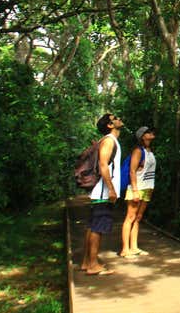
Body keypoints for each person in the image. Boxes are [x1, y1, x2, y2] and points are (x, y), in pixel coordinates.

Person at [80, 113, 123, 276]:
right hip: (103, 192)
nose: (119, 118)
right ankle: (93, 264)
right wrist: (111, 189)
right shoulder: (109, 141)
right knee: (98, 227)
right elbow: (103, 165)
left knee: (93, 226)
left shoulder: (110, 141)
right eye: (115, 117)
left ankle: (87, 262)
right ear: (110, 125)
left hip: (100, 191)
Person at [119, 125, 156, 258]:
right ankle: (125, 249)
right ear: (142, 136)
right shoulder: (138, 151)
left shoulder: (150, 151)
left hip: (147, 188)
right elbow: (132, 171)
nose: (151, 133)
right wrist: (135, 190)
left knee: (138, 218)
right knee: (130, 217)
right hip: (137, 188)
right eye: (148, 132)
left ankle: (134, 247)